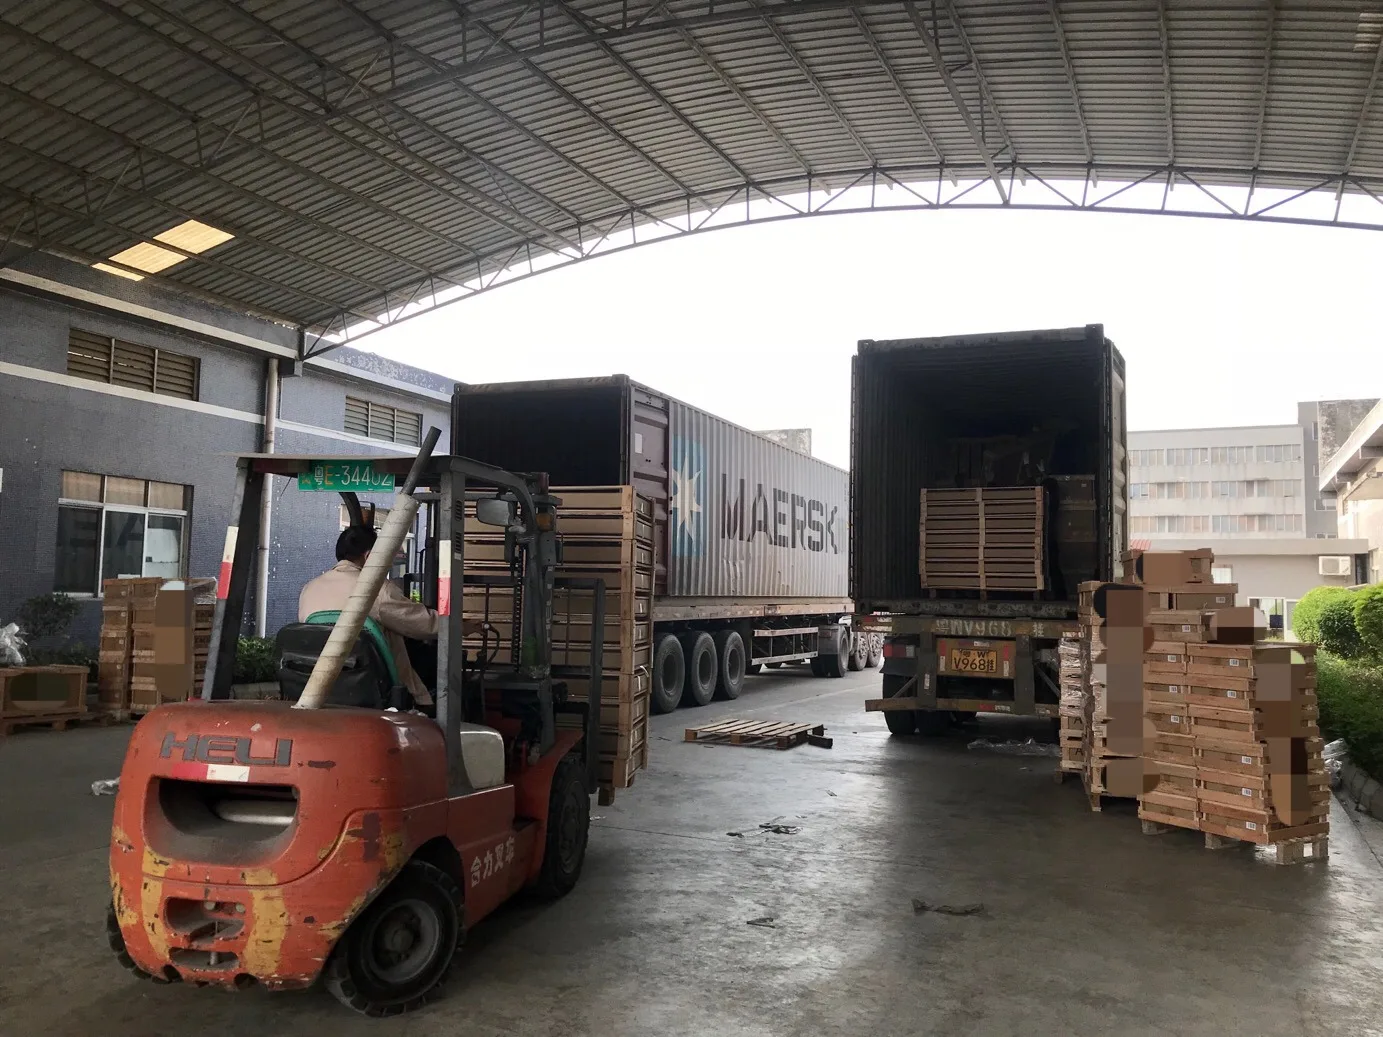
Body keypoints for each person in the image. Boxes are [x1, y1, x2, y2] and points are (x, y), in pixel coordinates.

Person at [298, 525, 477, 707]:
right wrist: (462, 626)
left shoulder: (309, 589)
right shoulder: (376, 589)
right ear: (369, 556)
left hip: (320, 689)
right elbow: (422, 622)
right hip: (375, 690)